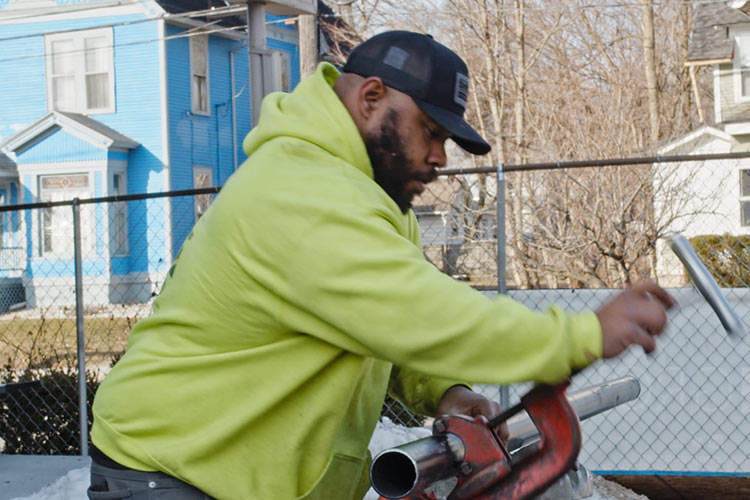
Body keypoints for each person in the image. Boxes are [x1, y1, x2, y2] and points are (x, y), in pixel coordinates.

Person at [87, 31, 675, 500]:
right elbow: (426, 316)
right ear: (371, 99)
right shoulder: (301, 193)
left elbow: (380, 327)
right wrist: (582, 334)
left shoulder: (367, 199)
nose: (440, 157)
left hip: (230, 471)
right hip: (172, 471)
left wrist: (443, 390)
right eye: (432, 131)